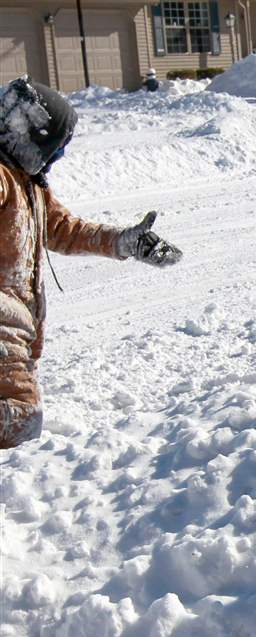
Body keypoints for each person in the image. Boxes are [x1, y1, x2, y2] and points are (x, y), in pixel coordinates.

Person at [0, 77, 183, 449]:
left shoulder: (30, 185)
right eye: (56, 147)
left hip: (17, 327)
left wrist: (124, 242)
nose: (58, 158)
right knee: (20, 418)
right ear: (33, 135)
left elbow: (65, 230)